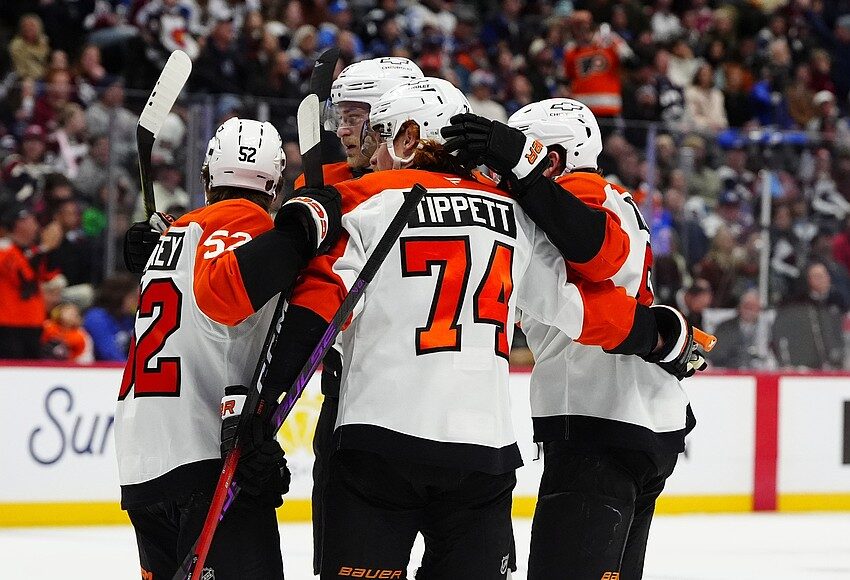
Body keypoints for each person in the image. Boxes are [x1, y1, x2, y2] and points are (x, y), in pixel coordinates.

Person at [265, 78, 704, 579]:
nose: (371, 154)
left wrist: (262, 408)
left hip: (381, 440)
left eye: (379, 137)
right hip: (485, 452)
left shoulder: (365, 198)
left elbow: (315, 307)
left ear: (407, 139)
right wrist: (657, 335)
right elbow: (578, 306)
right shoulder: (514, 216)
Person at [115, 117, 342, 579]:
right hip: (206, 456)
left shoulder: (177, 234)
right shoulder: (247, 221)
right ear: (275, 185)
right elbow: (227, 291)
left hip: (142, 461)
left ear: (206, 178)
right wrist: (305, 226)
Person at [503, 97, 700, 579]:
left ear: (553, 158)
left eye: (521, 156)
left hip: (596, 420)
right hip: (648, 420)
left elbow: (561, 294)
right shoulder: (617, 199)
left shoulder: (577, 196)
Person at [296, 54, 424, 577]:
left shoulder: (448, 186)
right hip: (353, 405)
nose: (341, 130)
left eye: (354, 117)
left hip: (442, 408)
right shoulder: (323, 183)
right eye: (339, 116)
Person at [0, 203, 63, 359]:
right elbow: (23, 277)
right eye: (31, 219)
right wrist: (44, 248)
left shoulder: (32, 250)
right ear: (18, 223)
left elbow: (49, 274)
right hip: (8, 323)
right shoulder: (4, 249)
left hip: (34, 321)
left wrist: (52, 248)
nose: (36, 224)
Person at [710, 289, 772, 369]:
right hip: (730, 370)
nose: (749, 310)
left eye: (753, 307)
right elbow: (717, 353)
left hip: (758, 369)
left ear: (759, 309)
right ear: (739, 307)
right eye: (747, 306)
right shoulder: (725, 327)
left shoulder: (767, 328)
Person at [82, 273, 138, 361]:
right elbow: (109, 354)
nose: (137, 302)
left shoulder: (128, 318)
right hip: (101, 367)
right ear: (120, 296)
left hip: (124, 366)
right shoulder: (96, 317)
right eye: (134, 297)